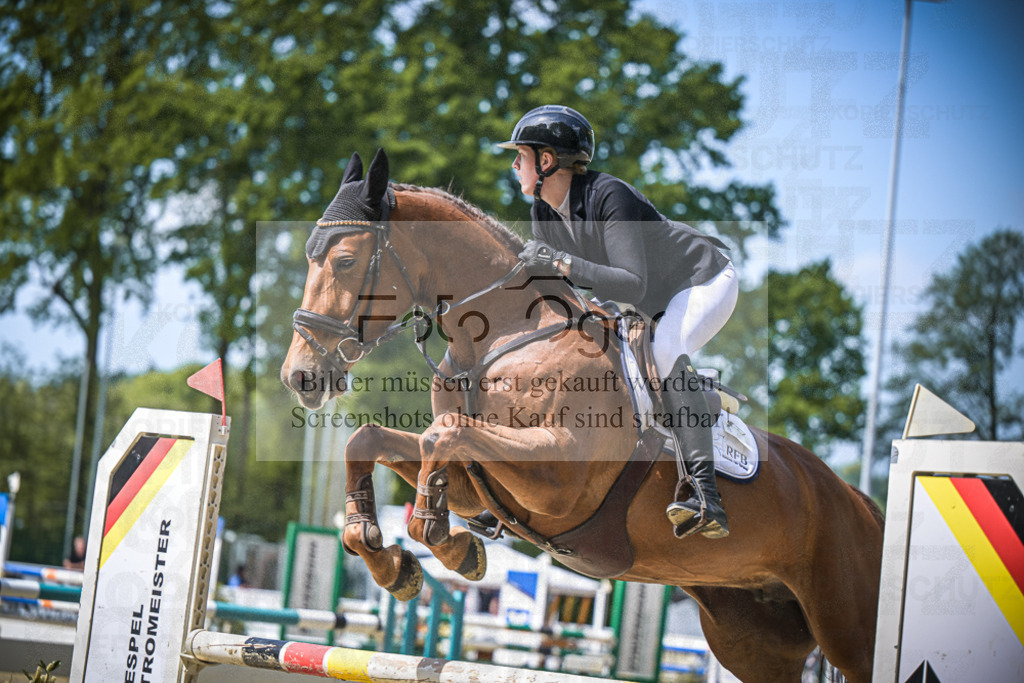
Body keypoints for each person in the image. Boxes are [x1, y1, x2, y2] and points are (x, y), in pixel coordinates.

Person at [498, 105, 739, 539]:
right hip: (645, 300)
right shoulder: (543, 214)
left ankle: (705, 495)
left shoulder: (610, 195)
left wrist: (561, 261)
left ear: (547, 161)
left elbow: (630, 283)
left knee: (666, 349)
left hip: (701, 279)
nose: (515, 165)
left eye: (522, 155)